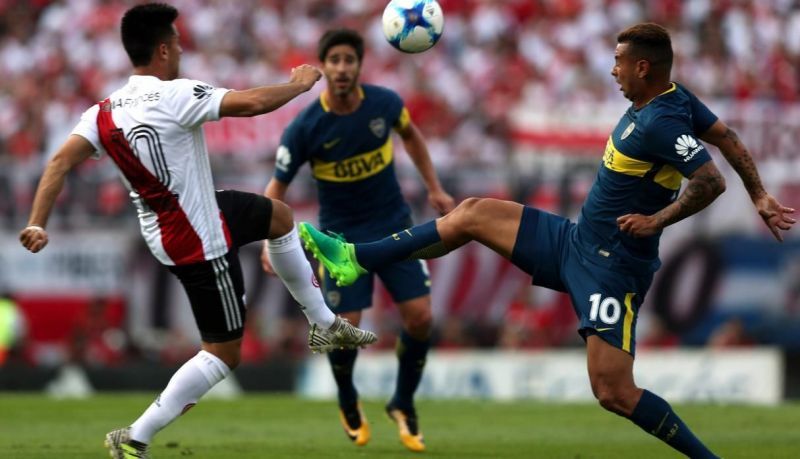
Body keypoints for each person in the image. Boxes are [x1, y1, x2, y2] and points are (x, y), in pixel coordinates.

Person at [298, 23, 796, 458]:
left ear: (644, 67)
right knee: (472, 212)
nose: (612, 70)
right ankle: (356, 258)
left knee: (614, 392)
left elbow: (710, 180)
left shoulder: (662, 121)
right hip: (575, 241)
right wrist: (762, 196)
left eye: (619, 62)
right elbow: (727, 136)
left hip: (613, 265)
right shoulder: (673, 97)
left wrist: (657, 220)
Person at [18, 4, 377, 458]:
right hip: (200, 240)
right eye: (180, 45)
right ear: (163, 49)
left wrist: (37, 222)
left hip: (179, 223)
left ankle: (323, 323)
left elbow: (58, 162)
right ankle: (136, 436)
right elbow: (250, 104)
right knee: (223, 353)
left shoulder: (102, 112)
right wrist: (299, 84)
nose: (183, 52)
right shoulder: (175, 95)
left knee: (279, 217)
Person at [260, 28, 455, 452]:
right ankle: (348, 397)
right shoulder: (306, 127)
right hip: (341, 240)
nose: (342, 68)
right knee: (346, 329)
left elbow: (412, 137)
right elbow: (276, 188)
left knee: (420, 318)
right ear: (325, 66)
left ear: (359, 65)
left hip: (395, 227)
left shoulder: (385, 104)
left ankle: (403, 403)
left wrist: (434, 187)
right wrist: (265, 242)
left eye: (350, 60)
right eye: (335, 61)